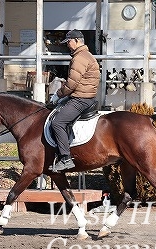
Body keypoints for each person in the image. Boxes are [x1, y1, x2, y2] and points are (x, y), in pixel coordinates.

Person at [49, 29, 100, 172]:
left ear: (77, 40)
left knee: (57, 123)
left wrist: (59, 94)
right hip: (85, 96)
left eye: (69, 42)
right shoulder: (86, 55)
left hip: (80, 99)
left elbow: (72, 84)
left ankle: (65, 158)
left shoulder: (80, 58)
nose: (68, 45)